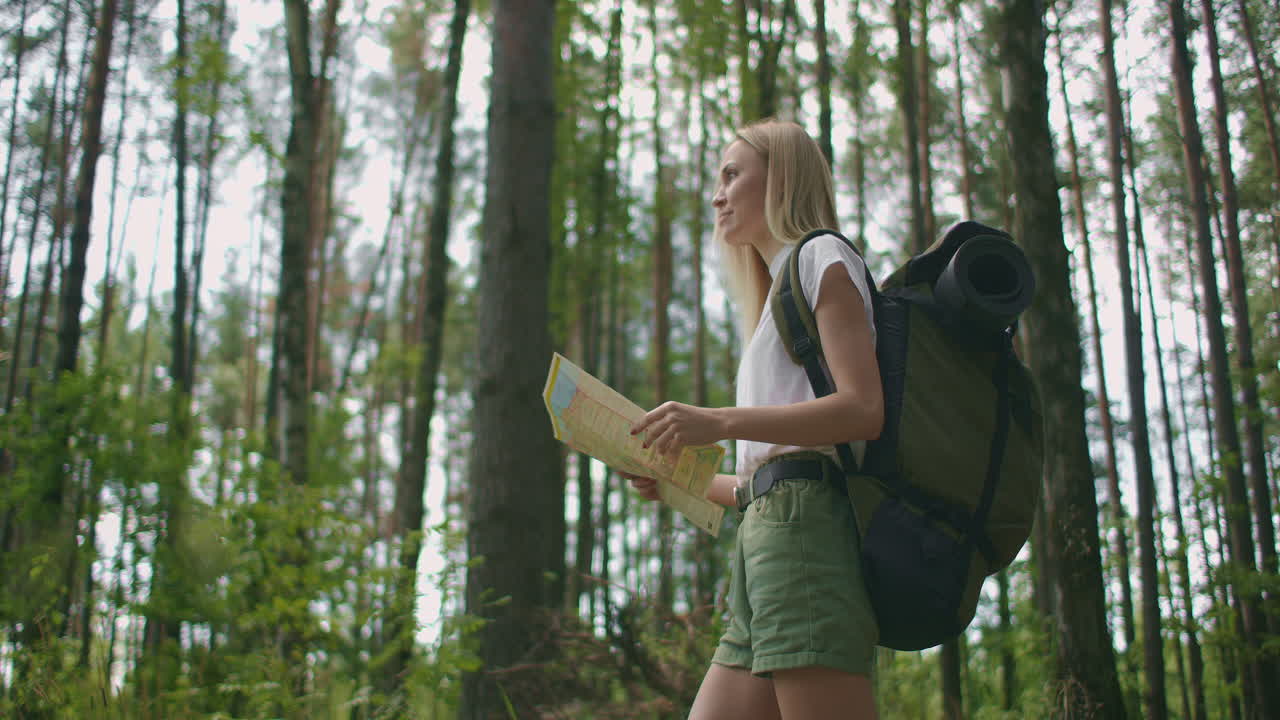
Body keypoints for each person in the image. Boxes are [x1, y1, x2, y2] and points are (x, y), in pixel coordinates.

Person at [624, 119, 883, 720]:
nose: (717, 194)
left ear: (782, 177)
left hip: (805, 536)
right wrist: (669, 483)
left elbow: (864, 410)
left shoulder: (821, 257)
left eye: (732, 174)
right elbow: (760, 484)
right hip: (763, 543)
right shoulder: (771, 306)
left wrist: (719, 422)